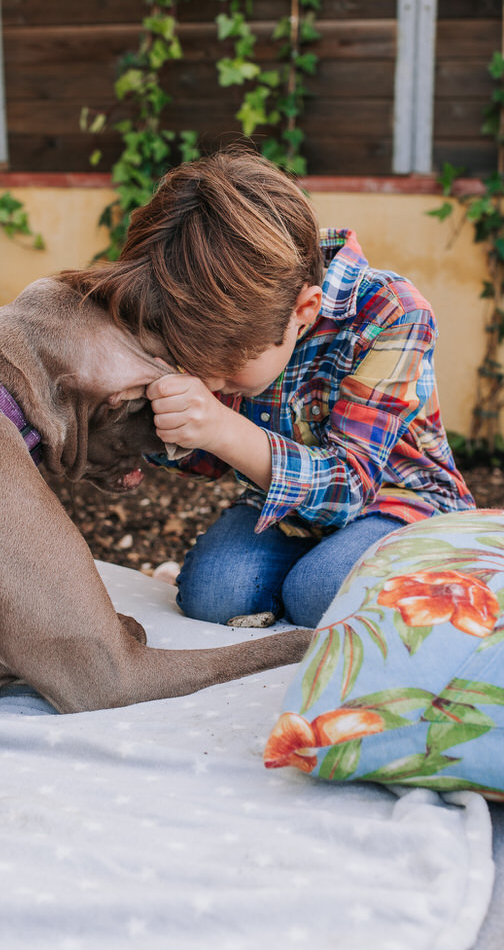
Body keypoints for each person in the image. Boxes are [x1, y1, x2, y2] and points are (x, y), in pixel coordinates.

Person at [59, 149, 474, 628]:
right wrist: (155, 424)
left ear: (304, 310)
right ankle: (304, 579)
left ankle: (449, 572)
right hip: (284, 503)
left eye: (227, 366)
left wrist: (219, 427)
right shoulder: (226, 315)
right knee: (215, 595)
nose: (209, 381)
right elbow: (211, 458)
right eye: (193, 362)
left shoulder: (393, 313)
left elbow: (349, 487)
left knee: (319, 592)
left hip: (398, 502)